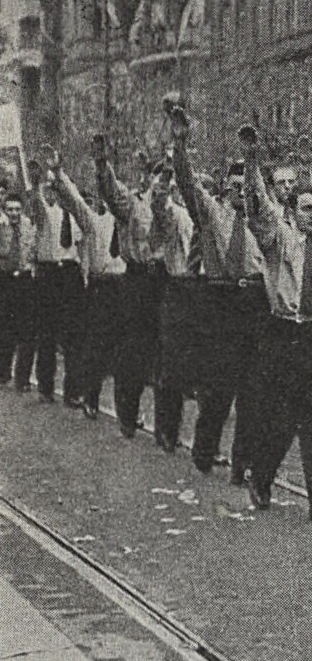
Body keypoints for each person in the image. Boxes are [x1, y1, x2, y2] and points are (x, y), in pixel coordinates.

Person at [238, 124, 312, 525]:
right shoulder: (279, 240)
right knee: (279, 420)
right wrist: (252, 162)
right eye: (306, 209)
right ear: (294, 212)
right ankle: (261, 476)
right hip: (285, 335)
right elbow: (258, 208)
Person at [170, 108, 270, 482]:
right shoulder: (213, 214)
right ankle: (204, 450)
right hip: (221, 303)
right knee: (217, 390)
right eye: (235, 185)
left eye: (247, 185)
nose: (241, 191)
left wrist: (252, 158)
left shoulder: (268, 219)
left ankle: (243, 463)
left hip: (255, 304)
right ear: (226, 187)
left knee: (253, 393)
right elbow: (188, 185)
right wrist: (180, 146)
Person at [43, 145, 127, 420]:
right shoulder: (93, 221)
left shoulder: (129, 221)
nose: (111, 200)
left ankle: (127, 411)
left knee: (123, 351)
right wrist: (58, 171)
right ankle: (91, 398)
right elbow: (74, 200)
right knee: (96, 347)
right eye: (108, 195)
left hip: (124, 287)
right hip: (101, 287)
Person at [94, 137, 165, 439]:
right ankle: (127, 414)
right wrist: (102, 164)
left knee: (165, 353)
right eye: (159, 175)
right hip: (138, 281)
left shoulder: (177, 205)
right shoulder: (133, 204)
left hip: (167, 282)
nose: (163, 181)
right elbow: (111, 193)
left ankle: (166, 428)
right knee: (133, 351)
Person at [146, 159, 194, 453]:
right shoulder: (172, 214)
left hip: (206, 291)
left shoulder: (208, 213)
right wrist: (164, 177)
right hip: (178, 287)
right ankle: (167, 428)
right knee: (172, 363)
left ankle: (207, 442)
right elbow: (158, 204)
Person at [28, 156, 84, 407]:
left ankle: (73, 391)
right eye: (50, 189)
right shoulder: (43, 212)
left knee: (73, 335)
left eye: (57, 188)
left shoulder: (74, 215)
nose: (54, 193)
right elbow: (36, 201)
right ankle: (46, 387)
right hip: (49, 273)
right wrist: (36, 182)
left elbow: (81, 247)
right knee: (47, 333)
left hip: (69, 273)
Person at [0, 191, 36, 389]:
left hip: (24, 280)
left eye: (17, 209)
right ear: (4, 210)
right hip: (5, 280)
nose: (14, 213)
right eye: (10, 209)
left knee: (27, 331)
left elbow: (34, 252)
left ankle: (23, 379)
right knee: (5, 328)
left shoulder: (30, 226)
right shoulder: (1, 227)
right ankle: (3, 372)